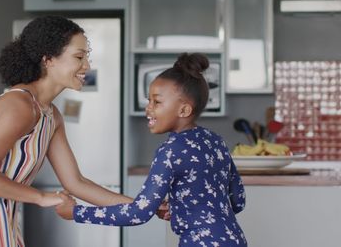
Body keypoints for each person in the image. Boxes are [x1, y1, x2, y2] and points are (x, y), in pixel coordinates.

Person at [0, 15, 134, 247]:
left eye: (86, 57)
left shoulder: (50, 115)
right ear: (48, 60)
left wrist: (141, 206)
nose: (87, 66)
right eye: (79, 57)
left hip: (2, 214)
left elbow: (75, 182)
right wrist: (42, 197)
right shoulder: (20, 106)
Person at [56, 53, 247, 247]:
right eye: (149, 101)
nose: (148, 108)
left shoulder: (171, 150)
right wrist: (186, 207)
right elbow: (238, 200)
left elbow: (139, 213)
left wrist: (75, 212)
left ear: (184, 110)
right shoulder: (215, 141)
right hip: (235, 238)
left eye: (156, 102)